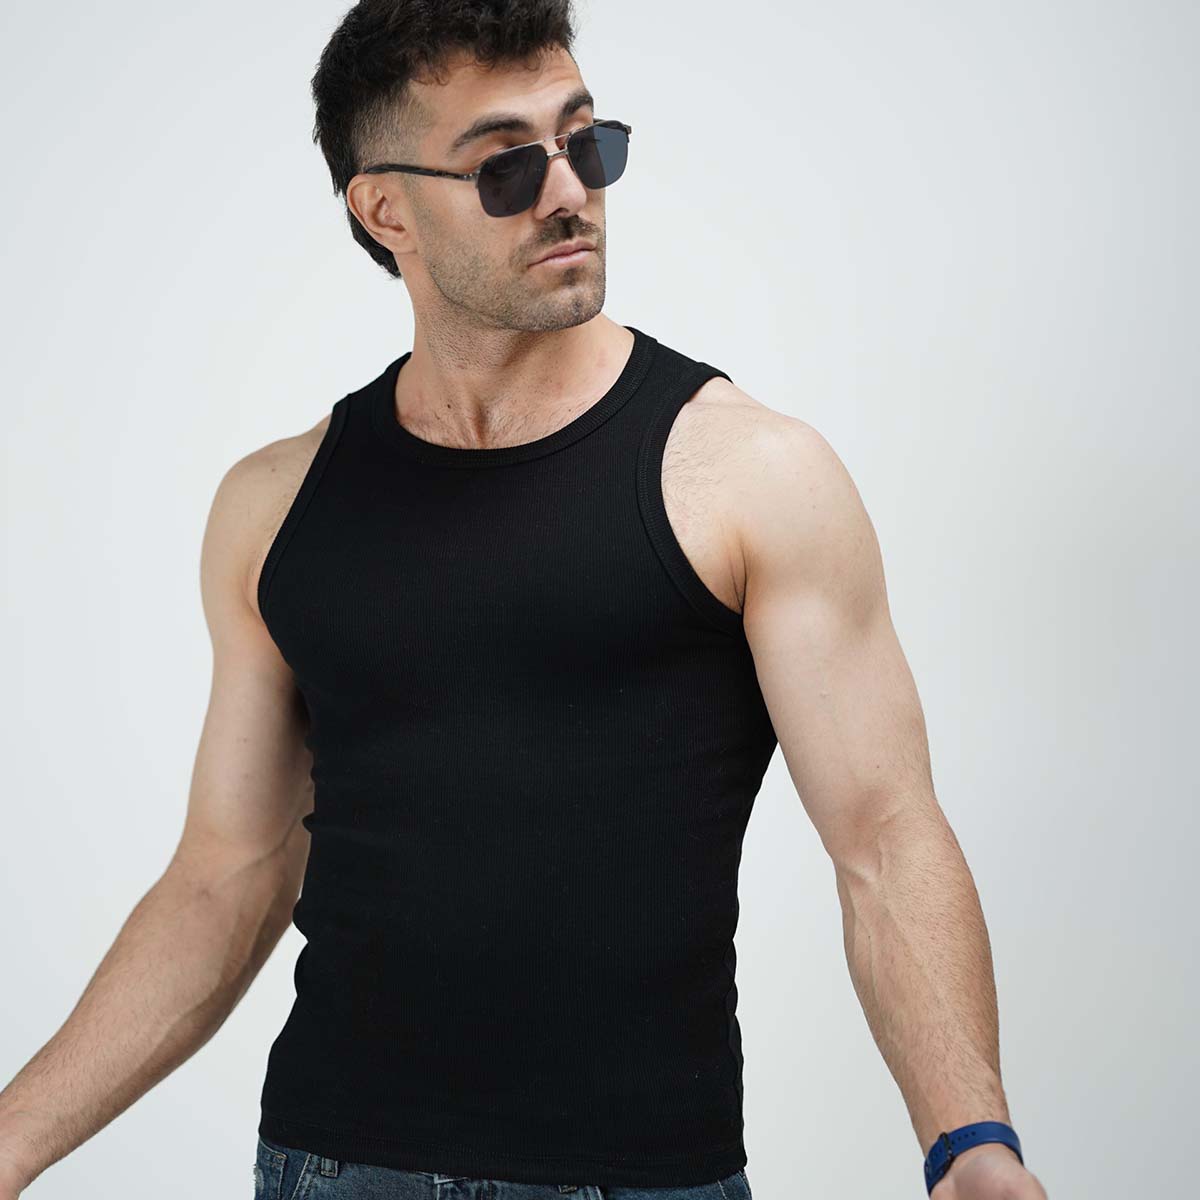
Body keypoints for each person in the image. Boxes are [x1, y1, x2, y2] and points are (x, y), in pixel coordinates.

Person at [0, 3, 1048, 1198]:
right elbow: (226, 874)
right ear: (384, 211)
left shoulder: (749, 476)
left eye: (584, 144)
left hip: (637, 1177)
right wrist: (12, 1140)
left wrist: (970, 1140)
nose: (567, 193)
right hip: (331, 1167)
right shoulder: (275, 507)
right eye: (504, 165)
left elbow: (884, 837)